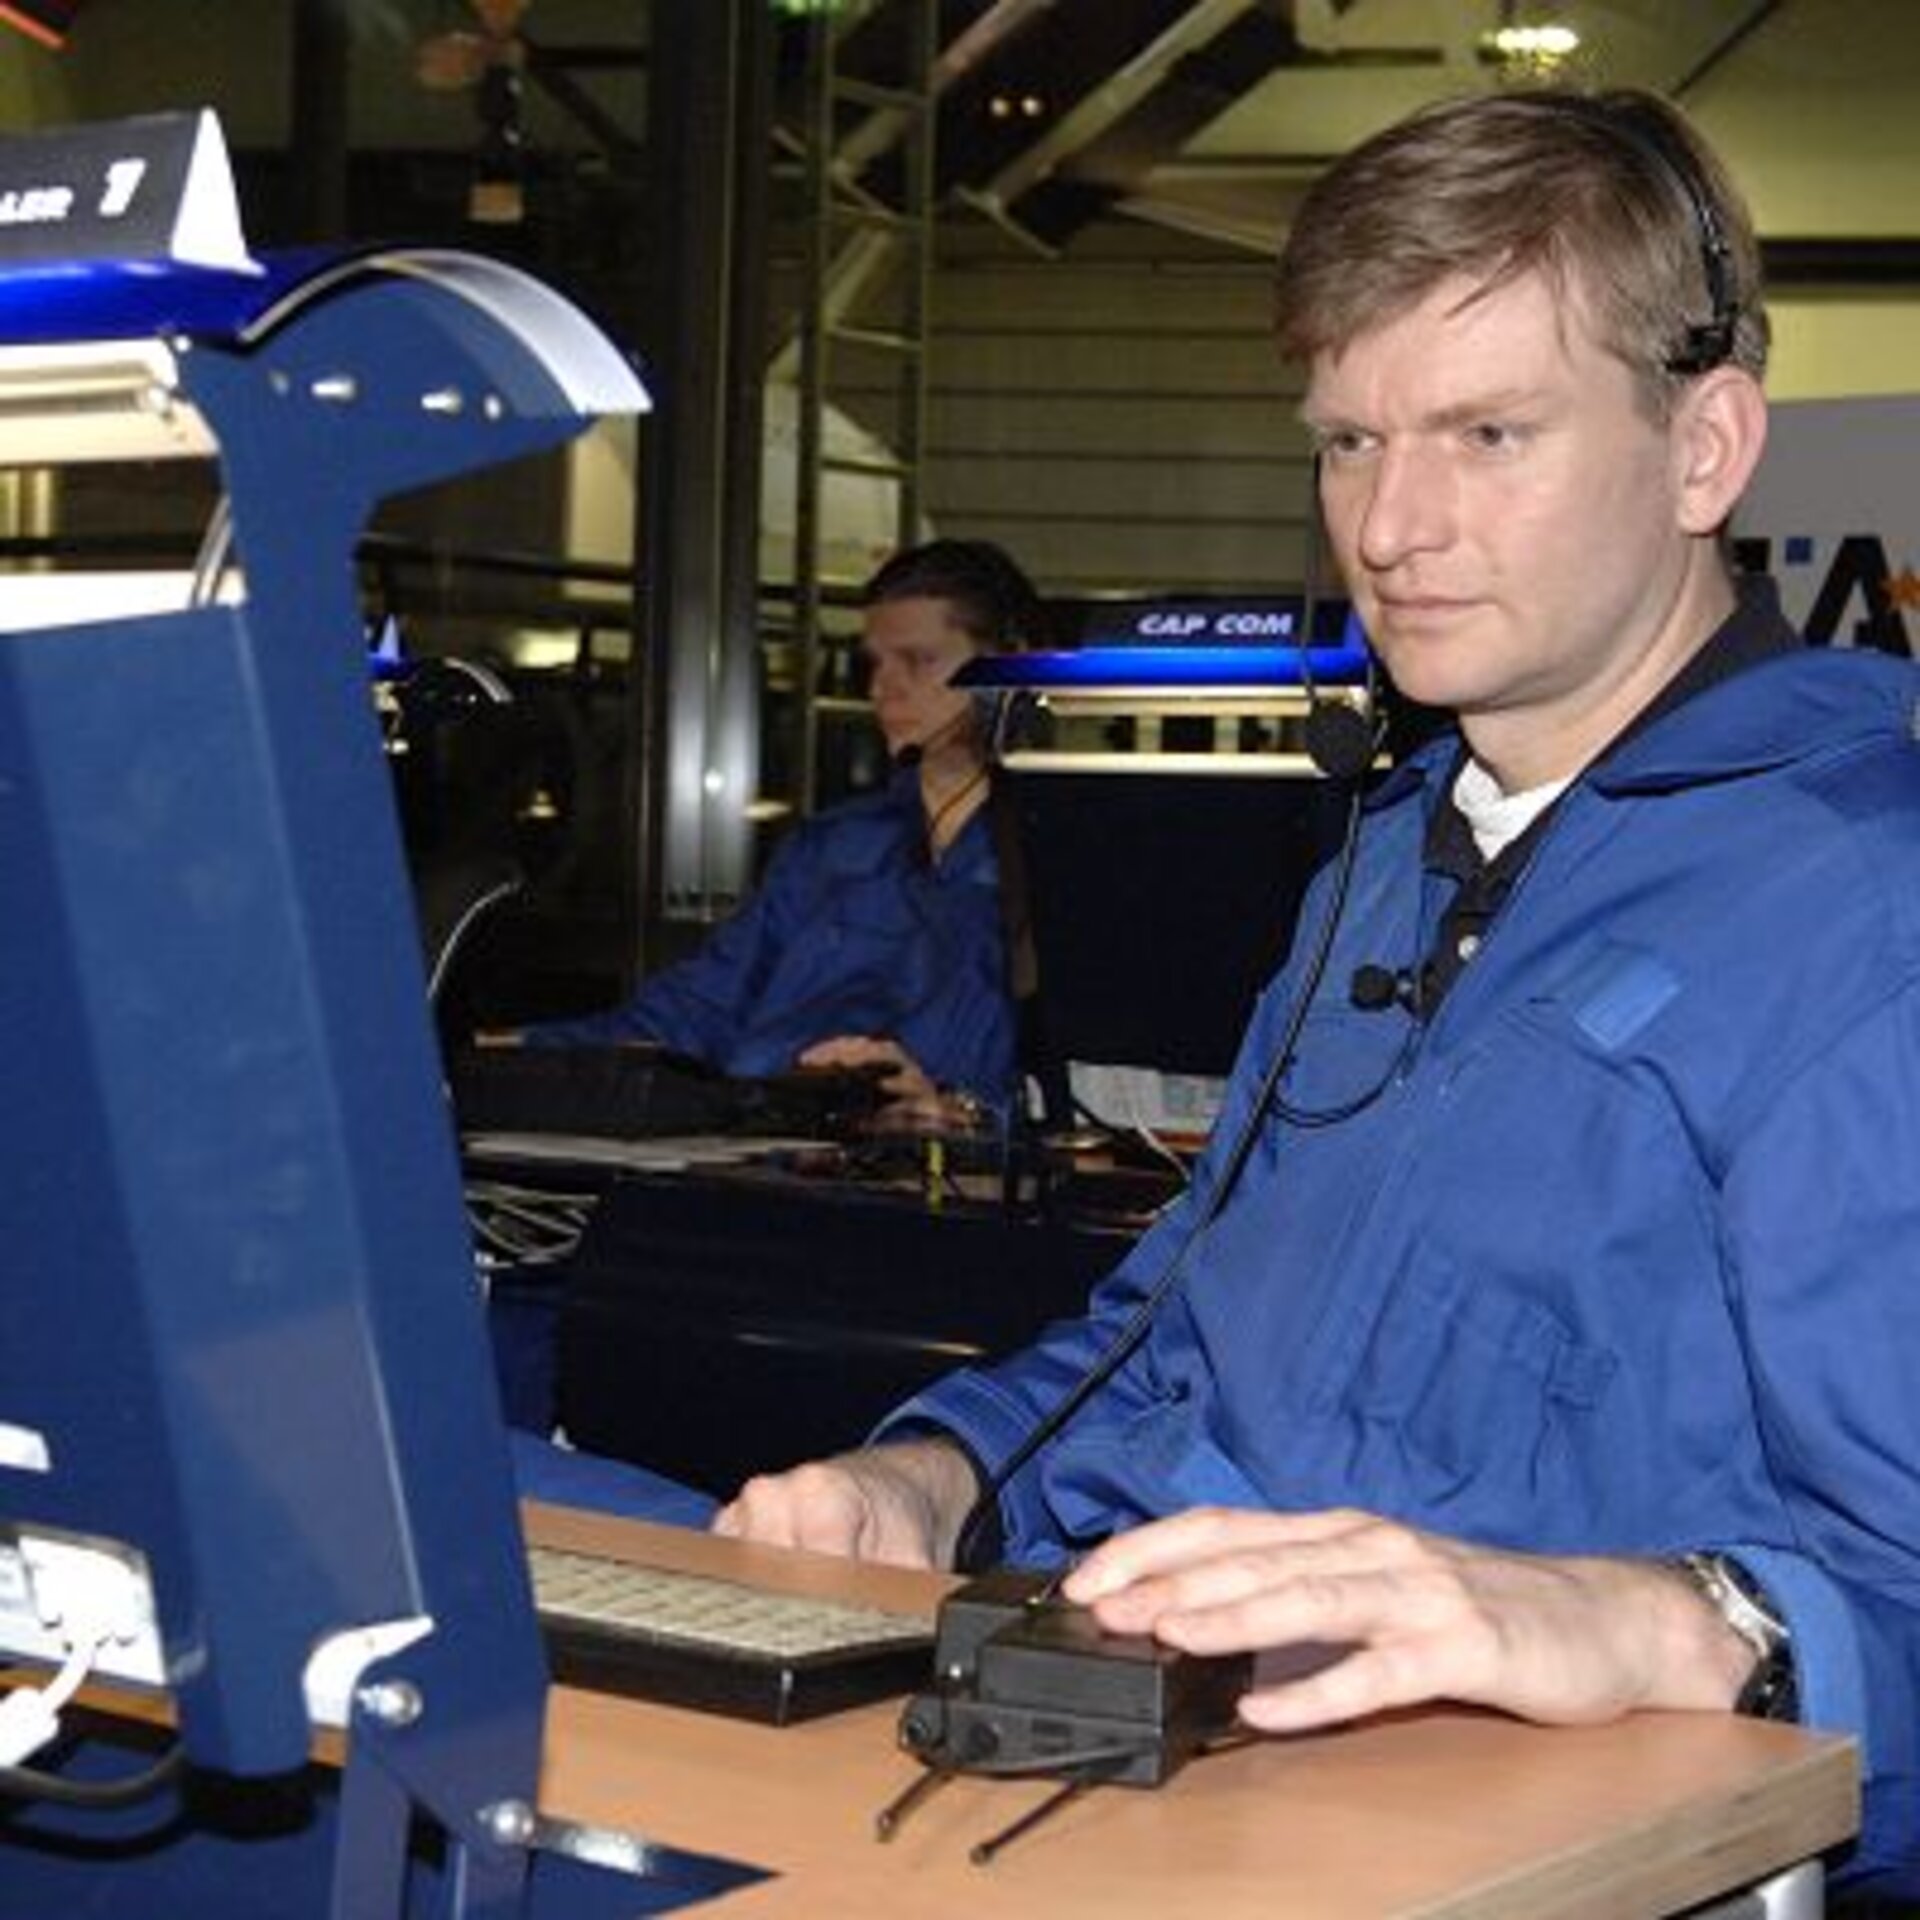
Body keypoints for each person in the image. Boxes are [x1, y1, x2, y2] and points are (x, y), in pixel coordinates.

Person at [710, 88, 1920, 1897]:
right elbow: (1171, 1330)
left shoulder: (1864, 905)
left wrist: (1673, 1623)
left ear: (1706, 449)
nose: (1395, 524)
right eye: (1350, 442)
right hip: (1192, 1797)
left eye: (1489, 432)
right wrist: (942, 1478)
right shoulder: (1386, 859)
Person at [515, 538, 1047, 1123]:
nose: (882, 688)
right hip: (771, 1153)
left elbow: (1096, 1092)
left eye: (917, 661)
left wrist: (964, 1113)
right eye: (876, 662)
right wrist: (517, 1052)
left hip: (950, 1187)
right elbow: (702, 1007)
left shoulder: (1065, 856)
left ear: (1010, 667)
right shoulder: (832, 847)